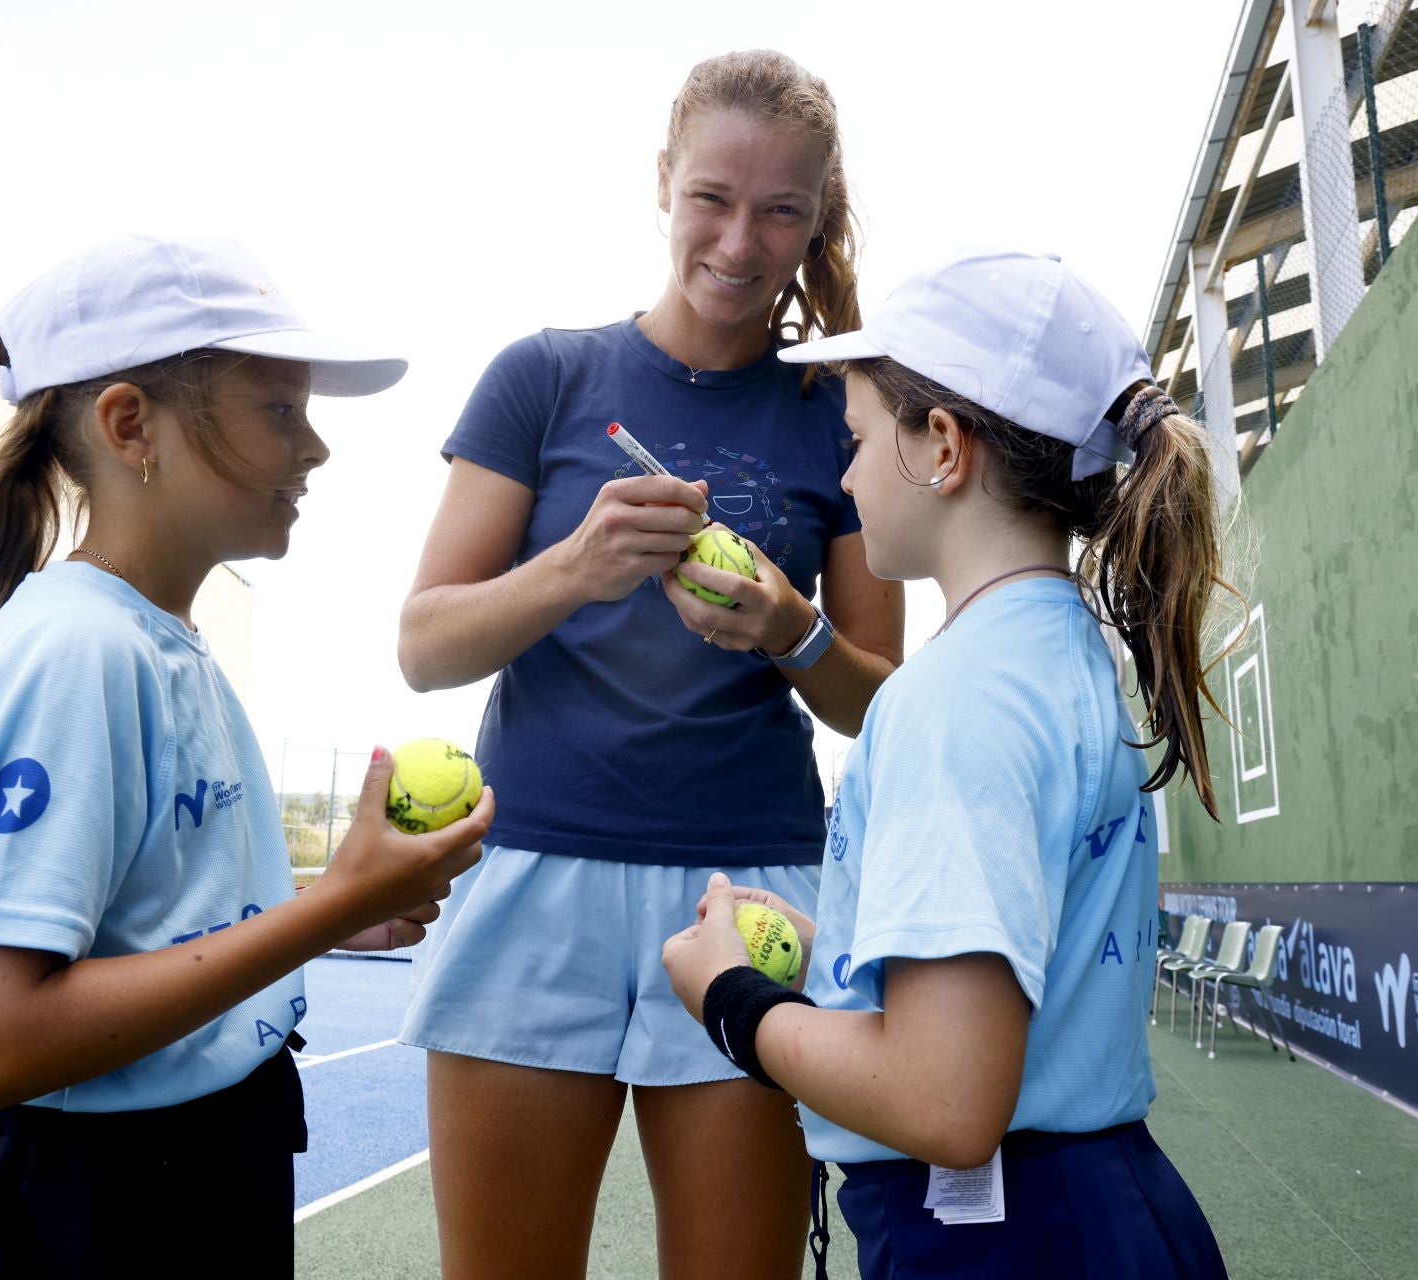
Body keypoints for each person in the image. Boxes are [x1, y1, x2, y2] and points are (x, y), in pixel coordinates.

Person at [395, 50, 904, 1279]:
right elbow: (424, 644)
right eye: (713, 198)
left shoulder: (839, 411)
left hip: (751, 896)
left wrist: (792, 629)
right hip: (535, 876)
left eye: (783, 209)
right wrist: (576, 565)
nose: (741, 240)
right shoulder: (543, 375)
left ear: (817, 218)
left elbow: (885, 701)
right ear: (662, 183)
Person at [0, 234, 490, 1277]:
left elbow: (154, 920)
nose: (315, 448)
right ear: (132, 427)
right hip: (94, 1207)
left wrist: (327, 905)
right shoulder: (78, 649)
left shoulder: (163, 643)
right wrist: (327, 908)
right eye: (278, 410)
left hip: (195, 1168)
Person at [663, 247, 1237, 1279]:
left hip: (1000, 1238)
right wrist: (840, 944)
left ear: (941, 446)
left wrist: (734, 1000)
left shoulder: (953, 698)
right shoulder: (1056, 656)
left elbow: (945, 1099)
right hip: (1101, 1208)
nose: (843, 476)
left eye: (857, 440)